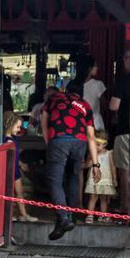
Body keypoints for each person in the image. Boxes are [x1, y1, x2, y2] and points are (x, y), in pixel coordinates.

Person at [41, 83, 101, 240]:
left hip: (59, 139)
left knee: (55, 180)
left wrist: (50, 143)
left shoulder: (54, 98)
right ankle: (70, 216)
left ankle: (63, 217)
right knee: (74, 177)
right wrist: (95, 164)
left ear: (66, 91)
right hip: (79, 143)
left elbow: (44, 121)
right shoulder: (84, 105)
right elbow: (91, 137)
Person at [107, 50, 130, 210]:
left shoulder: (123, 80)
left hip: (124, 130)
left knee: (125, 169)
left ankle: (125, 205)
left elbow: (114, 106)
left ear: (128, 60)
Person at [3, 112, 36, 222]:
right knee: (9, 194)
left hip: (15, 170)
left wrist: (21, 164)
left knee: (19, 192)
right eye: (17, 127)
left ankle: (23, 215)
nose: (19, 130)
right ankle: (9, 215)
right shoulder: (4, 140)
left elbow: (16, 156)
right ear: (10, 125)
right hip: (8, 170)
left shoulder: (14, 139)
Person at [84, 131, 117, 224]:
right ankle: (90, 215)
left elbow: (112, 166)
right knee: (92, 197)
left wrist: (114, 178)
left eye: (98, 145)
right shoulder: (92, 154)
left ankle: (103, 215)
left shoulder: (109, 153)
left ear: (105, 144)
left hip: (105, 180)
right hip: (94, 179)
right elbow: (87, 165)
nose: (96, 147)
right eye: (95, 144)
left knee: (104, 198)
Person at [82, 62, 107, 131]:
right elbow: (104, 105)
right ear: (89, 68)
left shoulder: (74, 86)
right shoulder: (98, 84)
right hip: (96, 123)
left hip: (80, 124)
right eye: (95, 65)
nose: (97, 68)